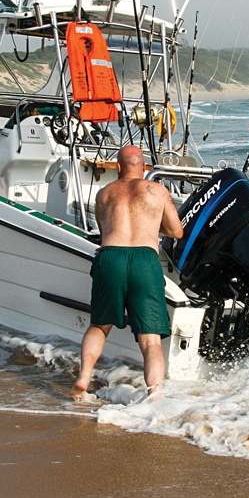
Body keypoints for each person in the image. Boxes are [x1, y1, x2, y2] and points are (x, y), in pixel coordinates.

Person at [70, 144, 183, 401]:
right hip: (144, 259)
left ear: (119, 168)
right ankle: (155, 393)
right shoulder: (157, 190)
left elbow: (104, 232)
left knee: (99, 326)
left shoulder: (104, 193)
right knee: (151, 340)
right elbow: (176, 231)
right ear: (144, 167)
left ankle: (84, 377)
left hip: (110, 257)